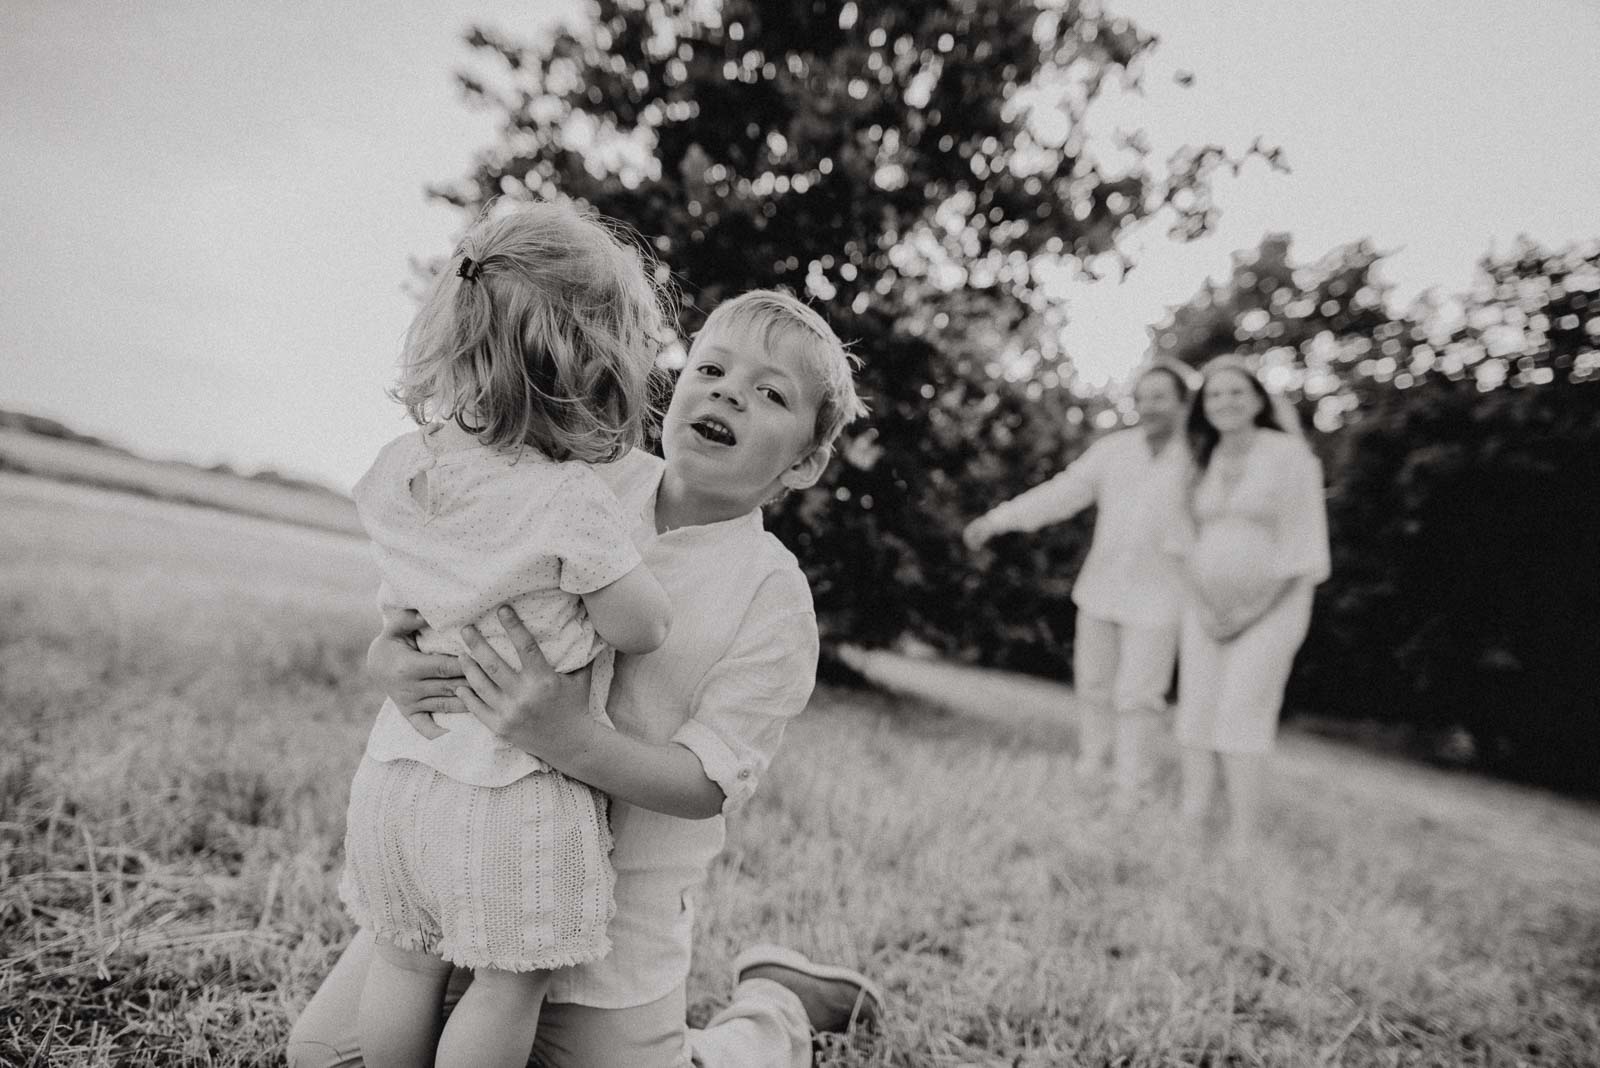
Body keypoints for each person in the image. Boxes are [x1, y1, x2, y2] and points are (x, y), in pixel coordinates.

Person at [288, 290, 881, 1068]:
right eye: (711, 367)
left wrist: (568, 739)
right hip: (471, 858)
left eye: (771, 394)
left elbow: (708, 782)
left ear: (803, 462)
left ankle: (774, 1015)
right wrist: (390, 660)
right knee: (324, 1055)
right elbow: (445, 587)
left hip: (613, 936)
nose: (728, 392)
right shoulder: (579, 475)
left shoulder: (772, 598)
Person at [337, 202, 677, 1068]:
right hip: (509, 789)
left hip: (397, 773)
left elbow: (397, 611)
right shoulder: (568, 501)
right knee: (506, 983)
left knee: (404, 965)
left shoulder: (398, 470)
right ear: (591, 367)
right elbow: (641, 625)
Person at [963, 361, 1192, 799]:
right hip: (1102, 587)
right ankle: (1092, 767)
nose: (1148, 407)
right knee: (1093, 685)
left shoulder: (1199, 459)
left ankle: (1131, 787)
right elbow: (1061, 494)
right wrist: (998, 520)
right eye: (1141, 397)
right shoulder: (1114, 451)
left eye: (1160, 397)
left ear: (1184, 402)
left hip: (1163, 595)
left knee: (1139, 697)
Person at [1165, 354, 1330, 857]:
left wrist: (1249, 612)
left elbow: (1304, 544)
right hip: (1204, 606)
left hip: (1272, 607)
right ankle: (1193, 816)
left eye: (1236, 391)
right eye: (1214, 394)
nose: (1225, 402)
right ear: (1202, 406)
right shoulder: (1199, 457)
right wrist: (1204, 603)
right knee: (1196, 708)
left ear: (1258, 399)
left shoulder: (1290, 457)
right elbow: (1178, 540)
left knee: (1243, 709)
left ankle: (1243, 836)